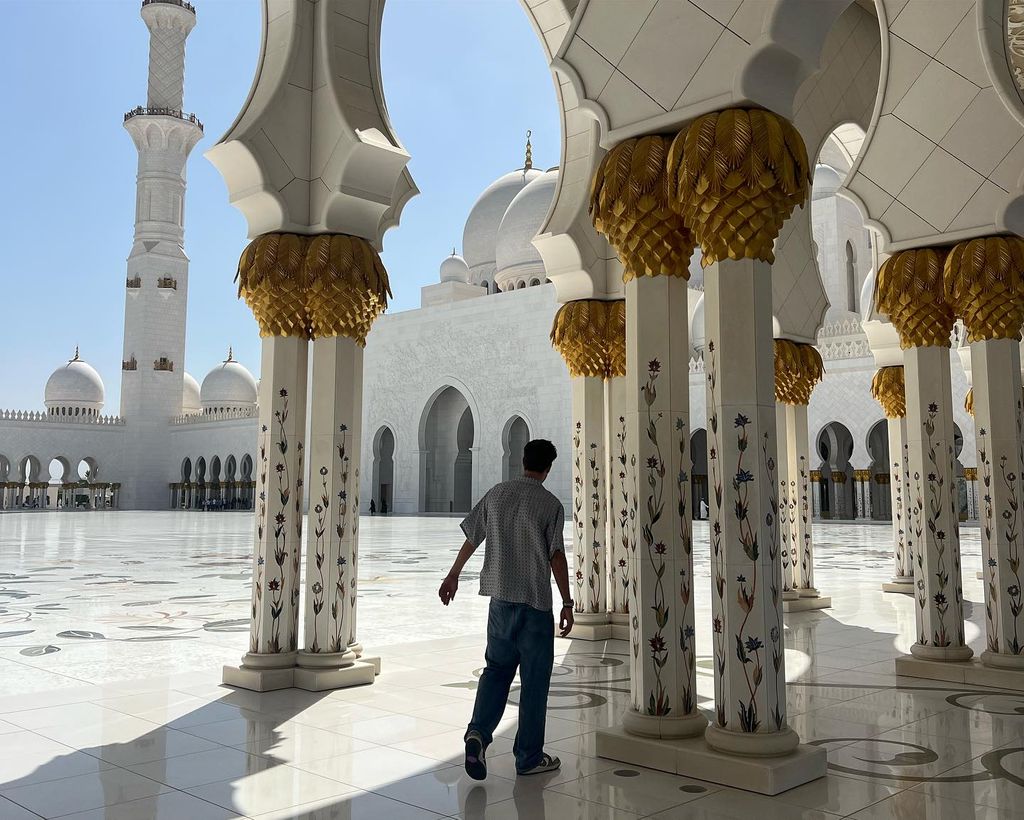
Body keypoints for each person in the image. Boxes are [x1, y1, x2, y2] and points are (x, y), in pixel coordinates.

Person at [438, 438, 572, 781]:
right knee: (534, 683)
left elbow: (473, 537)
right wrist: (567, 602)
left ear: (522, 461)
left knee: (496, 671)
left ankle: (478, 734)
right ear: (548, 467)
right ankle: (528, 757)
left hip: (500, 603)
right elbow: (556, 554)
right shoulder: (550, 504)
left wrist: (453, 574)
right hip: (534, 605)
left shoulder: (497, 494)